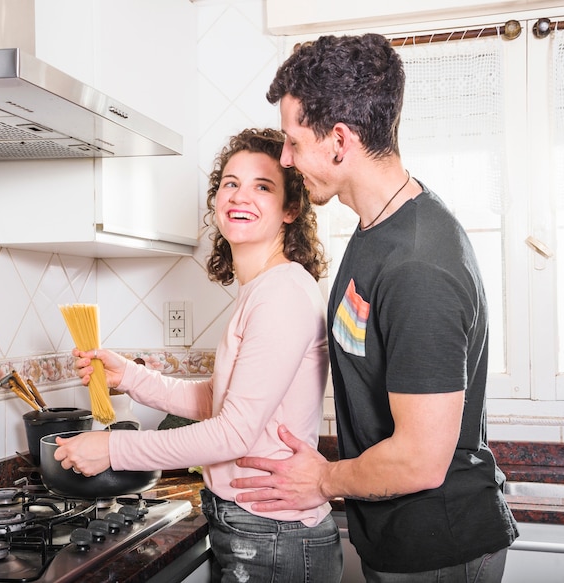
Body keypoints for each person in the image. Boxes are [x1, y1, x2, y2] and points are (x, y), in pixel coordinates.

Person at [230, 34, 519, 582]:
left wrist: (321, 480)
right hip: (397, 537)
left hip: (440, 547)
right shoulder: (376, 227)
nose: (286, 159)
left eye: (292, 142)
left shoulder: (419, 265)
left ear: (339, 140)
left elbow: (420, 460)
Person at [54, 128, 343, 583]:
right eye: (230, 183)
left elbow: (233, 433)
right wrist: (129, 376)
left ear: (291, 209)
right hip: (257, 528)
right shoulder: (262, 290)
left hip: (274, 535)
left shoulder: (282, 293)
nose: (239, 195)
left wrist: (114, 448)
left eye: (261, 186)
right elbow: (220, 401)